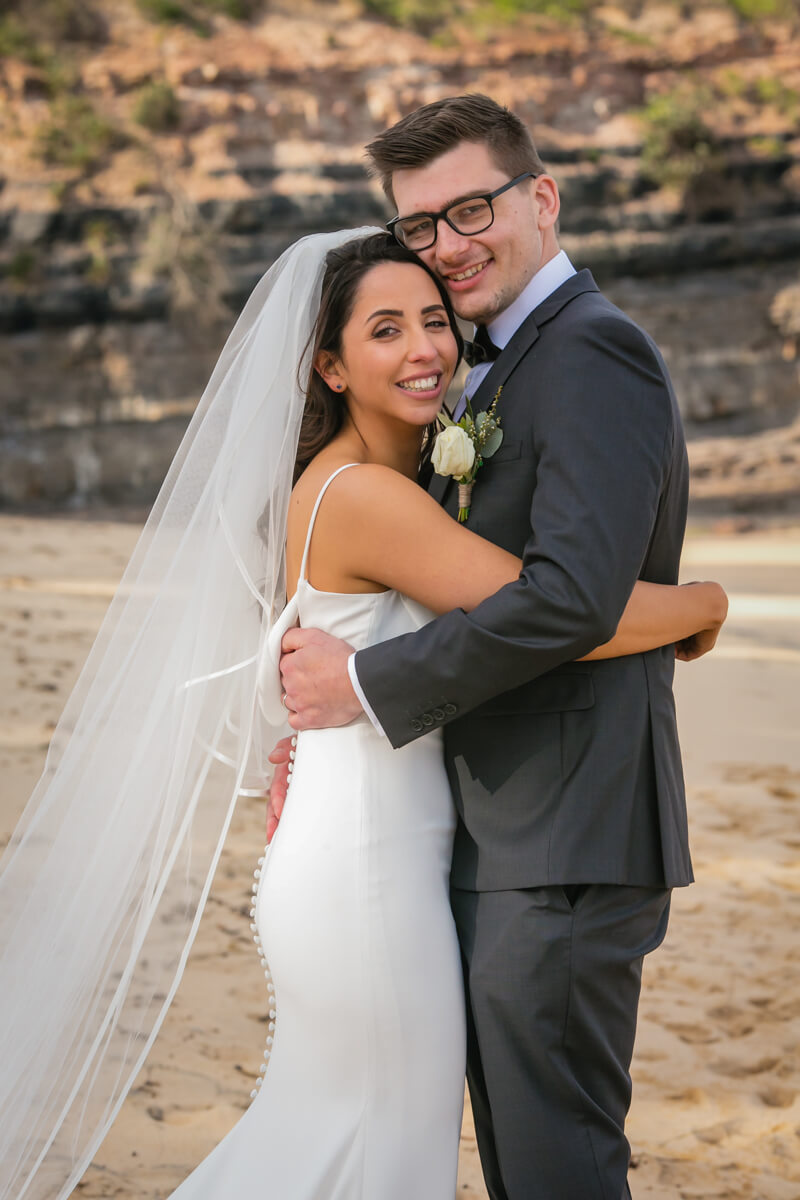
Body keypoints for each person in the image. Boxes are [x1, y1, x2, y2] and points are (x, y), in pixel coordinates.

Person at [0, 226, 724, 1200]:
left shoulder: (376, 483)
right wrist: (701, 605)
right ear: (330, 367)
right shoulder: (363, 496)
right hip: (369, 876)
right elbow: (560, 614)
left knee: (333, 1143)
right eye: (385, 330)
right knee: (370, 1150)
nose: (423, 348)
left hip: (359, 855)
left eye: (433, 320)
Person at [273, 95, 711, 1200]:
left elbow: (567, 601)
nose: (449, 243)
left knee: (554, 1163)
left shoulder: (590, 350)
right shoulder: (494, 367)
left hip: (563, 833)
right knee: (524, 1159)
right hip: (495, 833)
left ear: (541, 199)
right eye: (422, 225)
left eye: (472, 209)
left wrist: (365, 682)